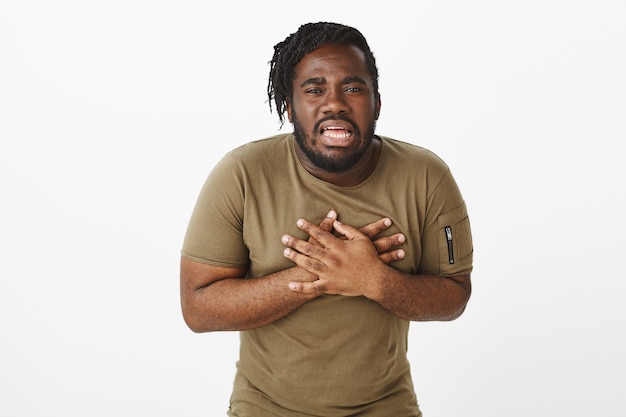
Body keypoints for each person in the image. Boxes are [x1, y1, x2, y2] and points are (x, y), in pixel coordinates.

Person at [180, 21, 473, 417]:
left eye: (352, 88)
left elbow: (454, 296)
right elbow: (198, 309)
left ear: (377, 103)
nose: (334, 103)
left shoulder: (426, 176)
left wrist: (376, 280)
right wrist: (317, 276)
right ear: (289, 107)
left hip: (387, 407)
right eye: (314, 89)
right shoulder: (242, 173)